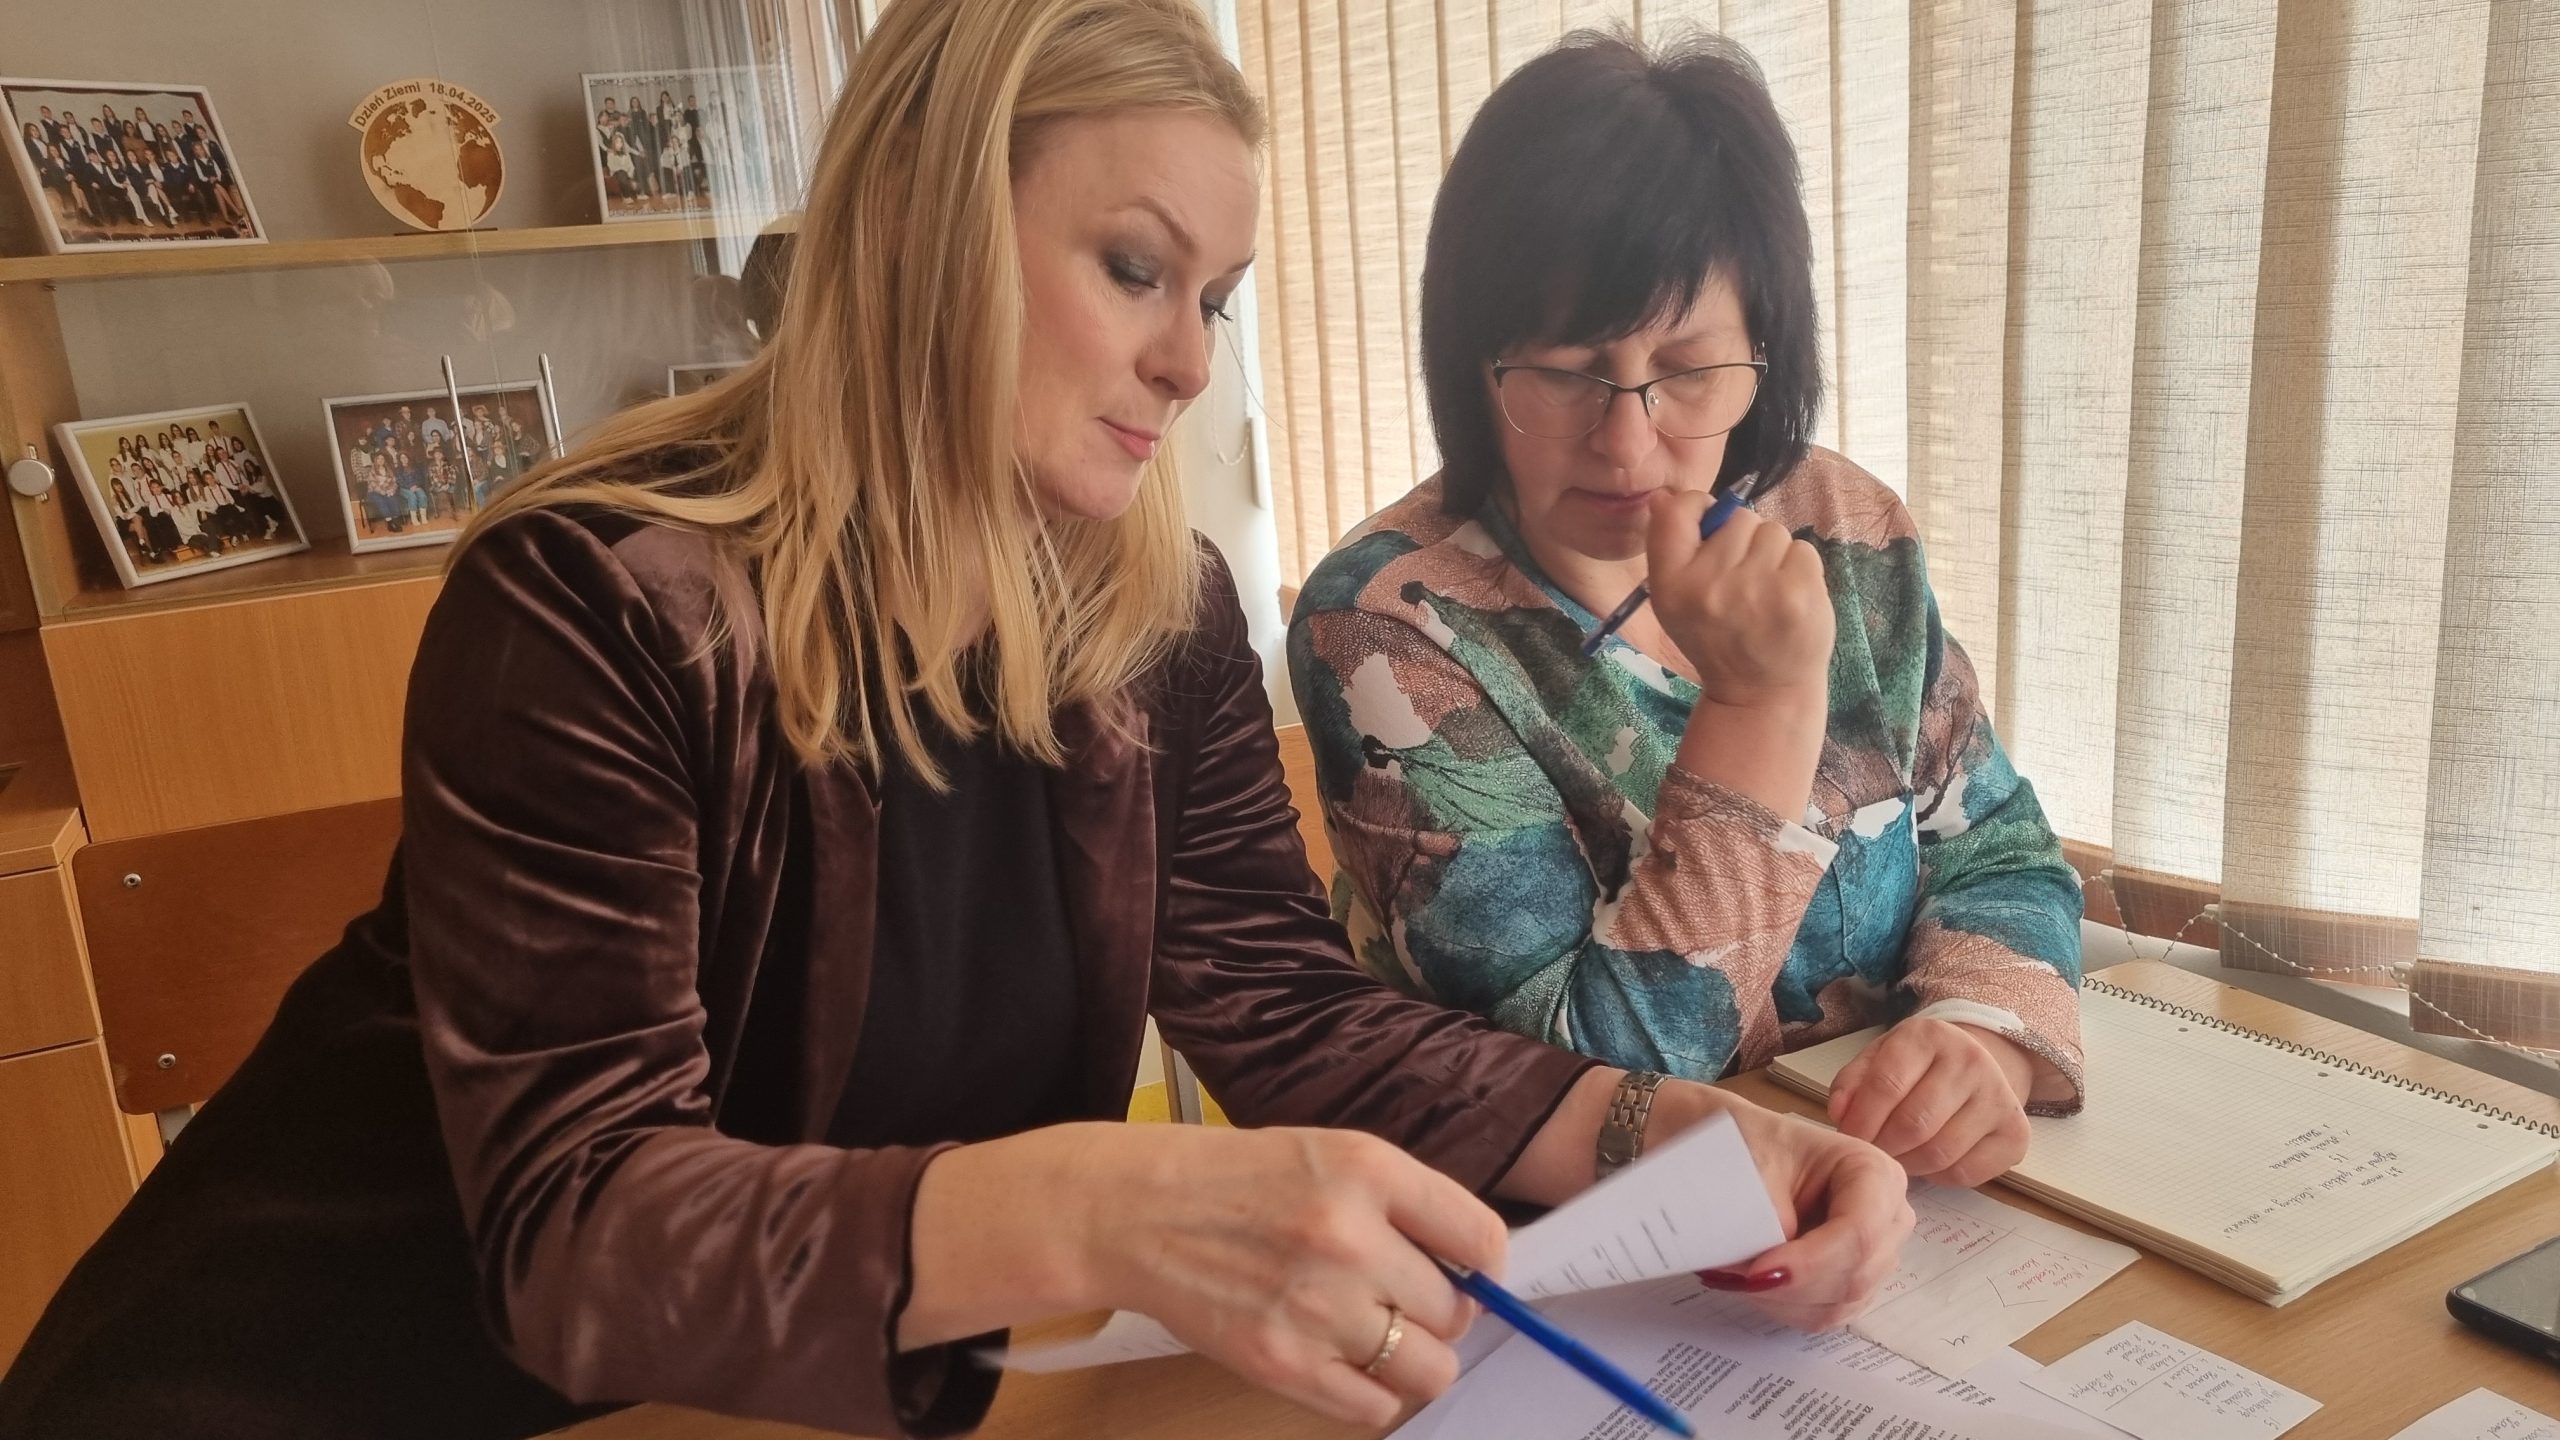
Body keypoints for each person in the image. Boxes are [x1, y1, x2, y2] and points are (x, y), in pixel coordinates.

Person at [0, 6, 1911, 1439]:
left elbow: (1285, 1007)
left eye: (1218, 298)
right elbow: (580, 1231)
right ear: (923, 224)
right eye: (1134, 268)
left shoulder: (1157, 621)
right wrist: (1105, 1205)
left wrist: (1668, 1133)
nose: (1188, 358)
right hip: (327, 1383)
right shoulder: (599, 604)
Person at [1287, 32, 2086, 1192]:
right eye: (1563, 370)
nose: (1627, 443)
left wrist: (1981, 1038)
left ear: (1765, 351)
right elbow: (1589, 1088)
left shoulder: (1841, 531)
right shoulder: (1388, 626)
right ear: (1472, 363)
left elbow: (1996, 845)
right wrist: (1761, 706)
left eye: (1689, 368)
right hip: (1568, 1236)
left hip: (1892, 1207)